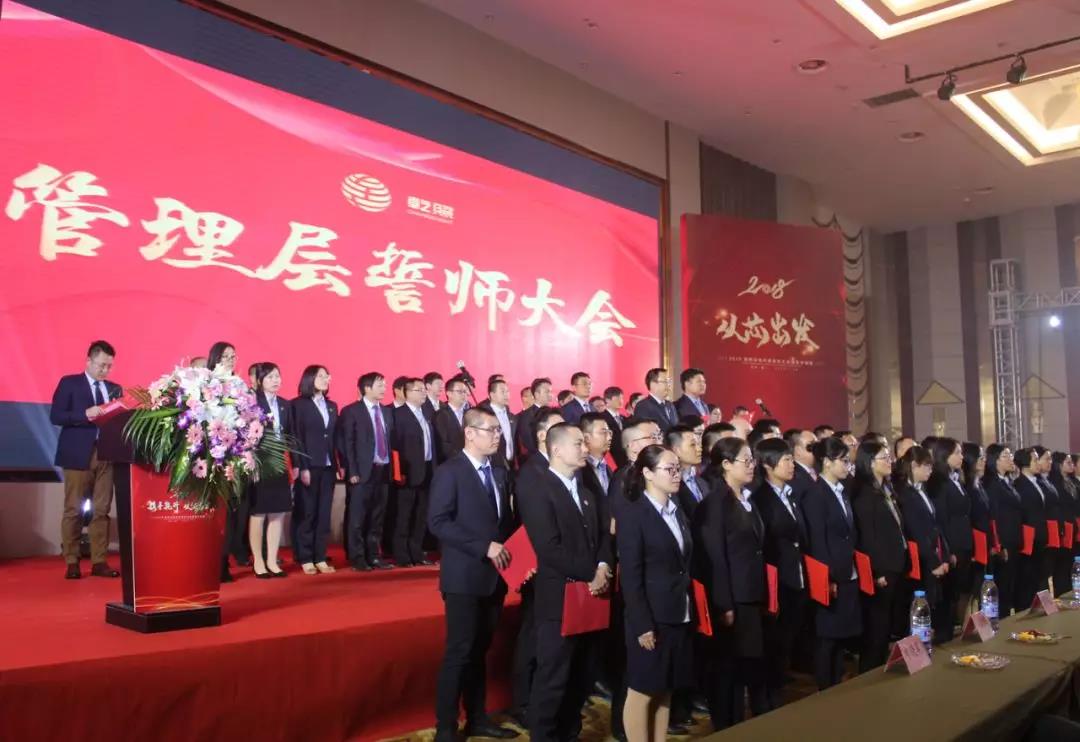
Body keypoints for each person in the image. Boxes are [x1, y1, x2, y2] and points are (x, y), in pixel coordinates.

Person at [428, 407, 519, 742]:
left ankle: (477, 718)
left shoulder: (499, 472)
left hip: (494, 577)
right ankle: (446, 727)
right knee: (459, 652)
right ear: (469, 433)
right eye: (490, 430)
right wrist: (483, 547)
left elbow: (505, 523)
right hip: (463, 577)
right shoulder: (450, 472)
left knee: (480, 651)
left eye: (499, 430)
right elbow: (438, 522)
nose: (497, 436)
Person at [518, 422, 613, 741]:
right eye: (578, 443)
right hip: (558, 599)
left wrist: (603, 566)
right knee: (553, 678)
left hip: (590, 597)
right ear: (556, 450)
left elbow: (603, 536)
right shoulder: (539, 489)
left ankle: (570, 733)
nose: (585, 449)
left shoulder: (585, 491)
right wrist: (592, 573)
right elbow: (548, 549)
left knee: (581, 675)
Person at [619, 445, 695, 741]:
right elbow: (631, 576)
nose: (677, 475)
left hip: (679, 611)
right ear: (648, 474)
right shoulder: (634, 515)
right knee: (642, 691)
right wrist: (642, 624)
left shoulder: (677, 510)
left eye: (678, 468)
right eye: (669, 469)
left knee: (665, 688)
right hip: (651, 617)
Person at [692, 437, 768, 728]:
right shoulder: (715, 505)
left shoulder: (746, 498)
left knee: (747, 664)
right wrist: (724, 603)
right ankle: (726, 726)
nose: (751, 466)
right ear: (725, 464)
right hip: (731, 598)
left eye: (752, 460)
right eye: (745, 461)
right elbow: (715, 557)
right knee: (727, 669)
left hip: (750, 594)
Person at [509, 407, 564, 727]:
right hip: (536, 565)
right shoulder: (533, 471)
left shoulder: (560, 468)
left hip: (557, 567)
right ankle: (523, 701)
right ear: (543, 436)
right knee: (532, 633)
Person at [50, 339, 122, 579]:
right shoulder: (70, 383)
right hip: (77, 453)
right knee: (73, 509)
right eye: (101, 365)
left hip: (106, 454)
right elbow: (56, 416)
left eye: (109, 366)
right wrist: (84, 414)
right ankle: (72, 560)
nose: (105, 370)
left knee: (101, 510)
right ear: (88, 361)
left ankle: (99, 561)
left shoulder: (114, 389)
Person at [801, 436, 861, 690]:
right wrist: (828, 578)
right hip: (831, 575)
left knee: (841, 636)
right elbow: (817, 540)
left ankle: (837, 685)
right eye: (843, 461)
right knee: (827, 637)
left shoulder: (841, 491)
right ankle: (825, 688)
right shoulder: (816, 494)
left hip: (847, 570)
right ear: (826, 462)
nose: (848, 465)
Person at [751, 438, 807, 706]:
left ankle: (779, 691)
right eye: (785, 460)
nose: (791, 464)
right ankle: (767, 700)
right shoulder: (761, 499)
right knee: (773, 642)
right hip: (776, 580)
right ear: (768, 465)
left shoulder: (790, 494)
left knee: (787, 639)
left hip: (795, 575)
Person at [851, 441, 906, 671]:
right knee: (877, 626)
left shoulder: (885, 489)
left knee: (886, 624)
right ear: (870, 463)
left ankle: (882, 667)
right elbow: (867, 537)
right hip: (881, 568)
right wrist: (877, 571)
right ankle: (870, 671)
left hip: (895, 563)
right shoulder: (865, 494)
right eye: (884, 458)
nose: (889, 461)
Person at [337, 372, 395, 571]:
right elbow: (347, 443)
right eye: (379, 385)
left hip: (383, 470)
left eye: (384, 385)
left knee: (377, 516)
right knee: (357, 518)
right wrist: (352, 470)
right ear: (366, 388)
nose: (384, 389)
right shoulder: (351, 411)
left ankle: (374, 555)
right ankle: (357, 556)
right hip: (361, 472)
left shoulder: (386, 412)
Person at [895, 445, 951, 641]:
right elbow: (917, 533)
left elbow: (935, 526)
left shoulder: (921, 491)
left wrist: (944, 556)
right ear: (913, 465)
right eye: (926, 466)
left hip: (933, 554)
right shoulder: (906, 494)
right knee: (919, 611)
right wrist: (934, 562)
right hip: (921, 560)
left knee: (931, 608)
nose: (930, 470)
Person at [208, 342, 250, 581]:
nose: (230, 360)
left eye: (233, 356)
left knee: (233, 510)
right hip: (212, 453)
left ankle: (225, 559)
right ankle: (212, 559)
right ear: (215, 358)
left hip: (235, 452)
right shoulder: (207, 382)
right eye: (225, 356)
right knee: (215, 510)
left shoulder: (240, 384)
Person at [292, 364, 338, 575]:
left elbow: (334, 437)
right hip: (309, 466)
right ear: (309, 379)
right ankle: (305, 556)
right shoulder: (298, 405)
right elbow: (296, 438)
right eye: (321, 376)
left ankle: (320, 555)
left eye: (327, 376)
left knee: (323, 513)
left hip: (328, 466)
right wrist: (302, 466)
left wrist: (339, 464)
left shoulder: (331, 406)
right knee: (307, 512)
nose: (326, 379)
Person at [249, 362, 293, 578]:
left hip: (279, 462)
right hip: (259, 462)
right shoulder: (252, 403)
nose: (276, 380)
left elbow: (290, 436)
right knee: (259, 512)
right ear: (259, 381)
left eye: (277, 376)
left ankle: (272, 561)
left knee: (278, 512)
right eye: (270, 377)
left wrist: (294, 464)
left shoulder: (285, 404)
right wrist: (252, 463)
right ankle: (258, 561)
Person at [927, 437, 971, 638]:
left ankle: (953, 631)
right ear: (944, 455)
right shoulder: (938, 482)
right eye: (957, 453)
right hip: (951, 544)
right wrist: (948, 550)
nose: (961, 457)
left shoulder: (956, 479)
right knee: (947, 595)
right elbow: (941, 519)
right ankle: (943, 636)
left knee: (958, 592)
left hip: (963, 541)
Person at [392, 378, 437, 567]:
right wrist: (399, 471)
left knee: (421, 515)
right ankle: (402, 555)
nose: (423, 393)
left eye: (424, 389)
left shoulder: (427, 413)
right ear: (407, 392)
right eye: (419, 390)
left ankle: (417, 552)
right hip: (408, 473)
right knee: (404, 515)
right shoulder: (398, 414)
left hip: (427, 470)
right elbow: (395, 446)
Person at [984, 444, 1021, 616]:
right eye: (1006, 456)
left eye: (1010, 455)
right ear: (995, 460)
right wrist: (1001, 544)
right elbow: (995, 517)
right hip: (1004, 542)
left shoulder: (1007, 481)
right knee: (1002, 587)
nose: (1011, 458)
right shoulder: (992, 484)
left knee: (1010, 586)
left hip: (1014, 539)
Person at [1014, 447, 1050, 608]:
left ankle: (1040, 606)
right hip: (1029, 536)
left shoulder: (1038, 482)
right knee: (1027, 577)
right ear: (1025, 463)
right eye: (1035, 460)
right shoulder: (1019, 484)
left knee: (1039, 574)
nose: (1038, 463)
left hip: (1041, 534)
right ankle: (1025, 608)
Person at [963, 443, 991, 600]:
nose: (984, 461)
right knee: (973, 591)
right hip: (975, 543)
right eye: (980, 458)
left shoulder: (978, 484)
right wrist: (974, 549)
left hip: (984, 542)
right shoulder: (967, 487)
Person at [1050, 452, 1080, 595]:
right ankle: (1062, 593)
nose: (1072, 465)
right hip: (1063, 527)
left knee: (1073, 562)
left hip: (1074, 526)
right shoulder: (1054, 483)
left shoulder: (1073, 482)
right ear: (1059, 465)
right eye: (1068, 463)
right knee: (1063, 564)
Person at [666, 425, 707, 519]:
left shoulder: (702, 481)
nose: (699, 449)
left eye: (698, 444)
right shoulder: (670, 487)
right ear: (676, 450)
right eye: (693, 445)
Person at [480, 378, 516, 471]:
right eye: (502, 392)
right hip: (493, 465)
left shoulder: (512, 416)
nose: (506, 394)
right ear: (492, 395)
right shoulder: (484, 414)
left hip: (511, 465)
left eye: (507, 391)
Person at [434, 374, 469, 463]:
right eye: (460, 391)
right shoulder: (440, 415)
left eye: (465, 391)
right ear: (449, 393)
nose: (464, 394)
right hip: (451, 462)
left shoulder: (469, 413)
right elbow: (443, 444)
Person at [579, 412, 614, 502]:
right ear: (586, 437)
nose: (609, 437)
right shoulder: (580, 471)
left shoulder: (608, 468)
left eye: (610, 433)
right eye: (603, 432)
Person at [634, 368, 679, 433]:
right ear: (653, 384)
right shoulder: (643, 406)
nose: (668, 385)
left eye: (669, 381)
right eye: (665, 381)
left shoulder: (670, 405)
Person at [516, 377, 552, 458]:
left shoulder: (553, 413)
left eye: (551, 391)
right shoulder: (526, 416)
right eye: (547, 392)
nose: (550, 395)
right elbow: (529, 443)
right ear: (536, 394)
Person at [602, 386, 629, 468]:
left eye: (622, 398)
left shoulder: (624, 419)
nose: (621, 401)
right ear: (607, 400)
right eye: (617, 399)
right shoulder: (601, 418)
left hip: (626, 459)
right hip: (611, 460)